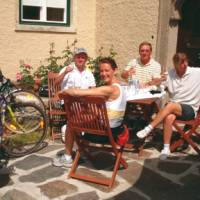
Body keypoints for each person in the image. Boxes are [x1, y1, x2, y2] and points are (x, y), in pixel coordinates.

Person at [52, 57, 127, 167]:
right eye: (101, 71)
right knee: (88, 112)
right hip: (115, 131)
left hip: (104, 135)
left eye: (107, 70)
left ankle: (68, 158)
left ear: (114, 70)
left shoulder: (109, 89)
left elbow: (79, 93)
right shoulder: (120, 87)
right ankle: (83, 151)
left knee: (71, 124)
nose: (103, 73)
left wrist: (63, 91)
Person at [136, 52, 200, 160]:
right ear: (175, 65)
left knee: (170, 105)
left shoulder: (196, 72)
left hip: (190, 109)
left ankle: (149, 128)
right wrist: (153, 84)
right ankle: (166, 148)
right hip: (175, 108)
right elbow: (159, 87)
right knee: (169, 117)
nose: (184, 65)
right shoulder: (170, 74)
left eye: (185, 62)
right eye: (181, 63)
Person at [55, 47, 96, 138]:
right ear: (74, 58)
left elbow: (93, 89)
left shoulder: (88, 73)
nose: (80, 59)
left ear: (86, 59)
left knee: (96, 109)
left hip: (84, 101)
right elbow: (56, 83)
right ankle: (74, 129)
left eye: (83, 57)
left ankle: (74, 129)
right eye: (78, 57)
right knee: (80, 108)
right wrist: (65, 72)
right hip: (68, 101)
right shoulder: (68, 69)